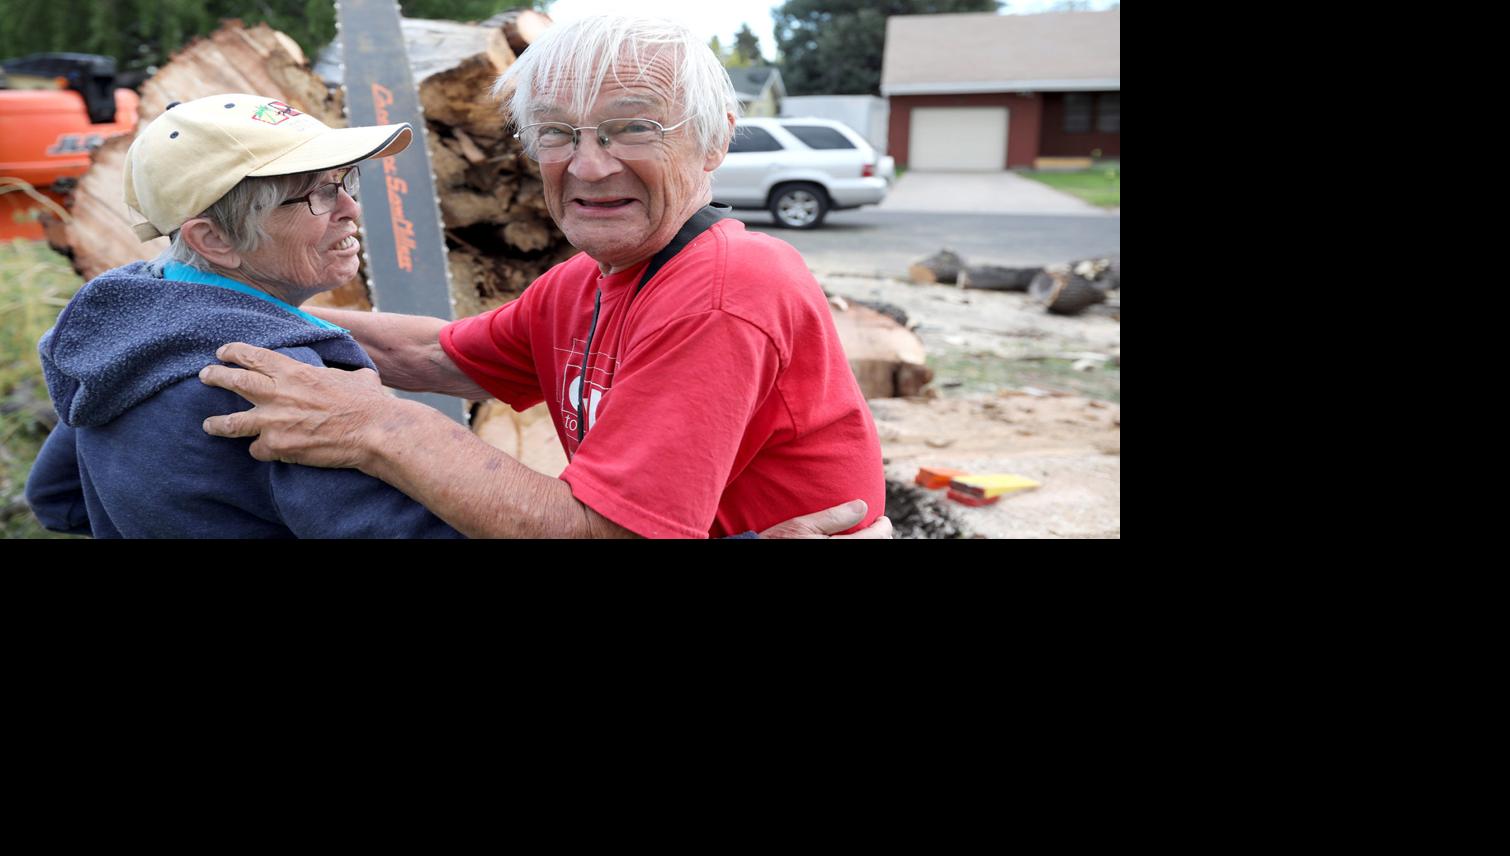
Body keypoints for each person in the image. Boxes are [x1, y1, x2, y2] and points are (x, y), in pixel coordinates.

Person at [27, 92, 883, 540]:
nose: (350, 209)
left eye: (346, 183)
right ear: (211, 237)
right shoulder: (292, 392)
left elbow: (58, 496)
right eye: (314, 195)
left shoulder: (126, 338)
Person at [197, 15, 888, 540]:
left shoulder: (722, 289)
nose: (587, 166)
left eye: (632, 129)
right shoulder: (587, 280)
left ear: (714, 142)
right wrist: (220, 307)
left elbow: (603, 530)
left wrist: (376, 427)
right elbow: (433, 353)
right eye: (558, 133)